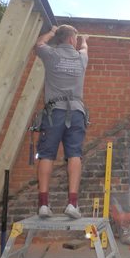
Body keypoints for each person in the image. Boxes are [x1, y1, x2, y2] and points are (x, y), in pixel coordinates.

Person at [34, 24, 89, 219]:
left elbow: (39, 43)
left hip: (53, 113)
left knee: (47, 155)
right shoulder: (81, 57)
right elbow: (84, 48)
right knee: (74, 154)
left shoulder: (51, 55)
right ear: (72, 39)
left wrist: (51, 32)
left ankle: (43, 205)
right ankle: (72, 204)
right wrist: (84, 40)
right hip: (76, 112)